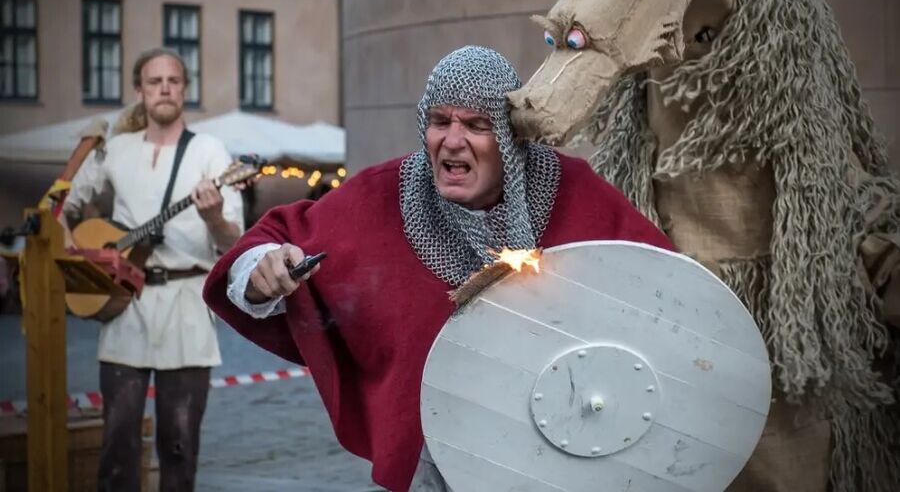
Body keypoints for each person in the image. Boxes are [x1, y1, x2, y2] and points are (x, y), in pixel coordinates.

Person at [203, 46, 673, 491]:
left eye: (475, 124)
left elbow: (666, 289)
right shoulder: (382, 197)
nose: (452, 140)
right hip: (429, 458)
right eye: (439, 121)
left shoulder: (573, 192)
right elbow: (267, 241)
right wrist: (262, 272)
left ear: (510, 137)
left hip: (560, 456)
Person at [63, 48, 244, 491]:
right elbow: (64, 201)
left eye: (173, 80)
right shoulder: (117, 149)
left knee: (179, 445)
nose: (164, 88)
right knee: (117, 443)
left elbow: (234, 242)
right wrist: (71, 246)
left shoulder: (210, 151)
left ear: (184, 89)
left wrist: (213, 217)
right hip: (125, 305)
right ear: (138, 91)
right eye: (154, 81)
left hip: (186, 307)